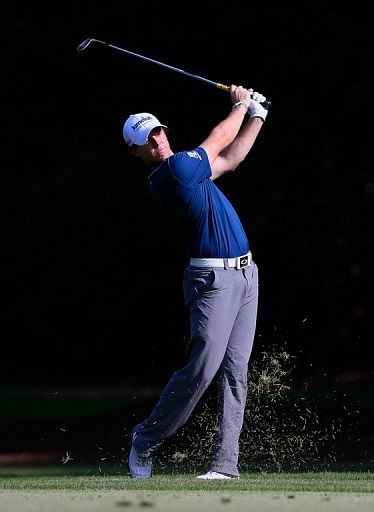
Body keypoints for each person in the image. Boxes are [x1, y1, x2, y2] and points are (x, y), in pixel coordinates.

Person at [122, 85, 269, 480]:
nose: (157, 141)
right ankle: (145, 439)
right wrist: (240, 103)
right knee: (203, 368)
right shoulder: (172, 172)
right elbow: (220, 138)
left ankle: (225, 465)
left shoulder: (190, 170)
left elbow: (232, 158)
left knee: (236, 371)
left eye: (158, 132)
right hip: (213, 279)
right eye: (146, 141)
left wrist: (257, 116)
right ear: (136, 153)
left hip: (245, 275)